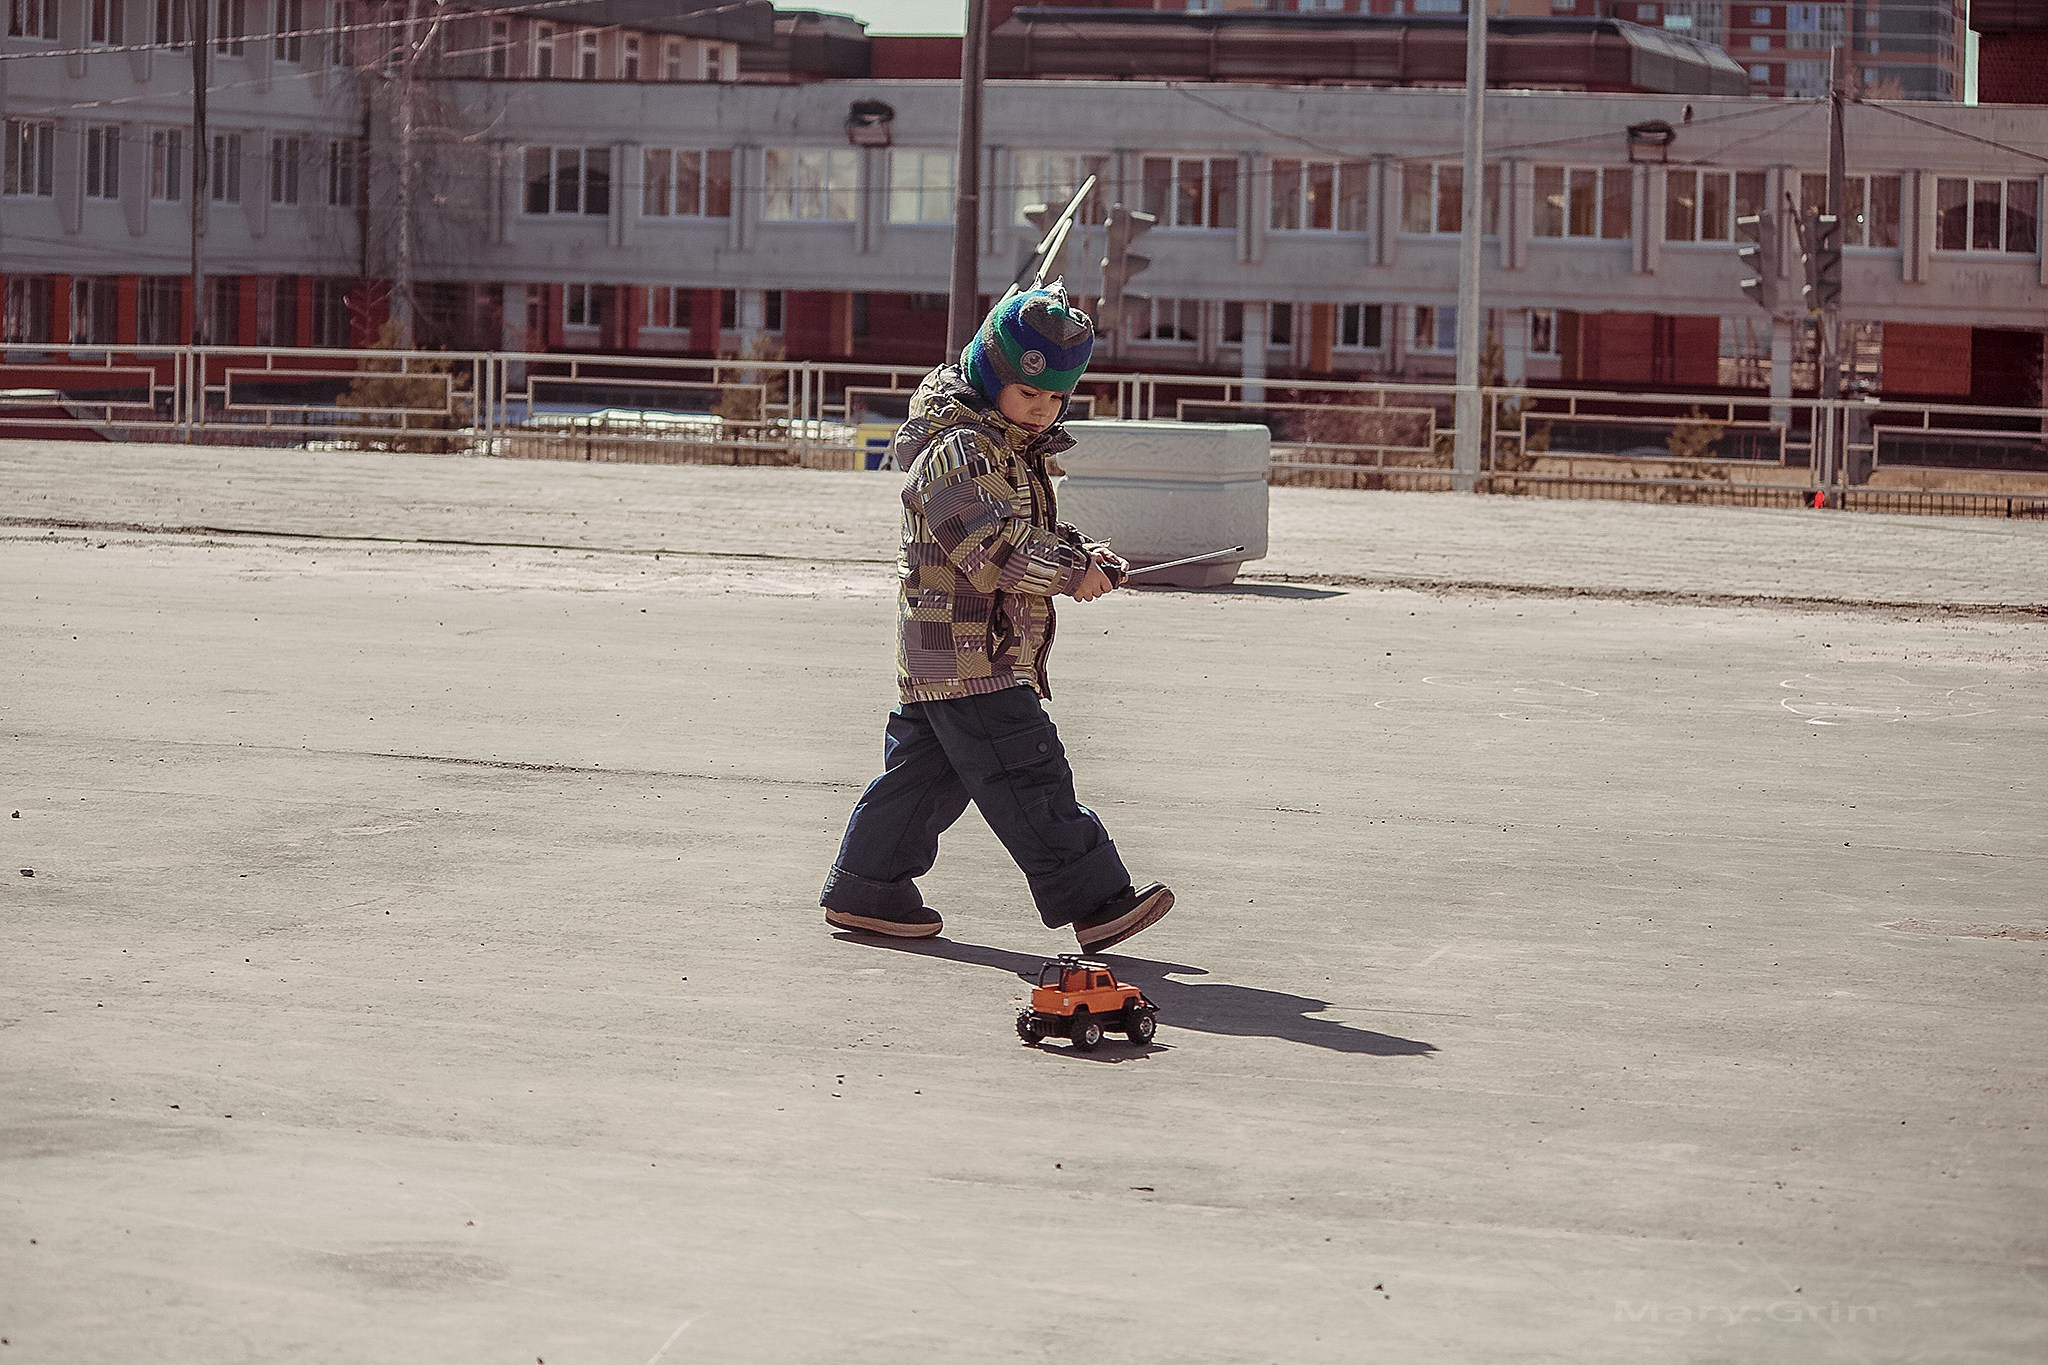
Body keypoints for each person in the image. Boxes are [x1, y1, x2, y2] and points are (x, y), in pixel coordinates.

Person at [819, 284, 1173, 955]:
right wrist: (1068, 572)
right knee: (1027, 772)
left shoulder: (1006, 445)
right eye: (1028, 393)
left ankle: (868, 886)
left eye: (1056, 399)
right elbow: (990, 547)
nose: (1042, 409)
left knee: (925, 780)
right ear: (990, 375)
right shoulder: (958, 448)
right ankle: (1094, 900)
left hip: (959, 655)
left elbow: (1022, 526)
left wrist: (1081, 553)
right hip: (970, 652)